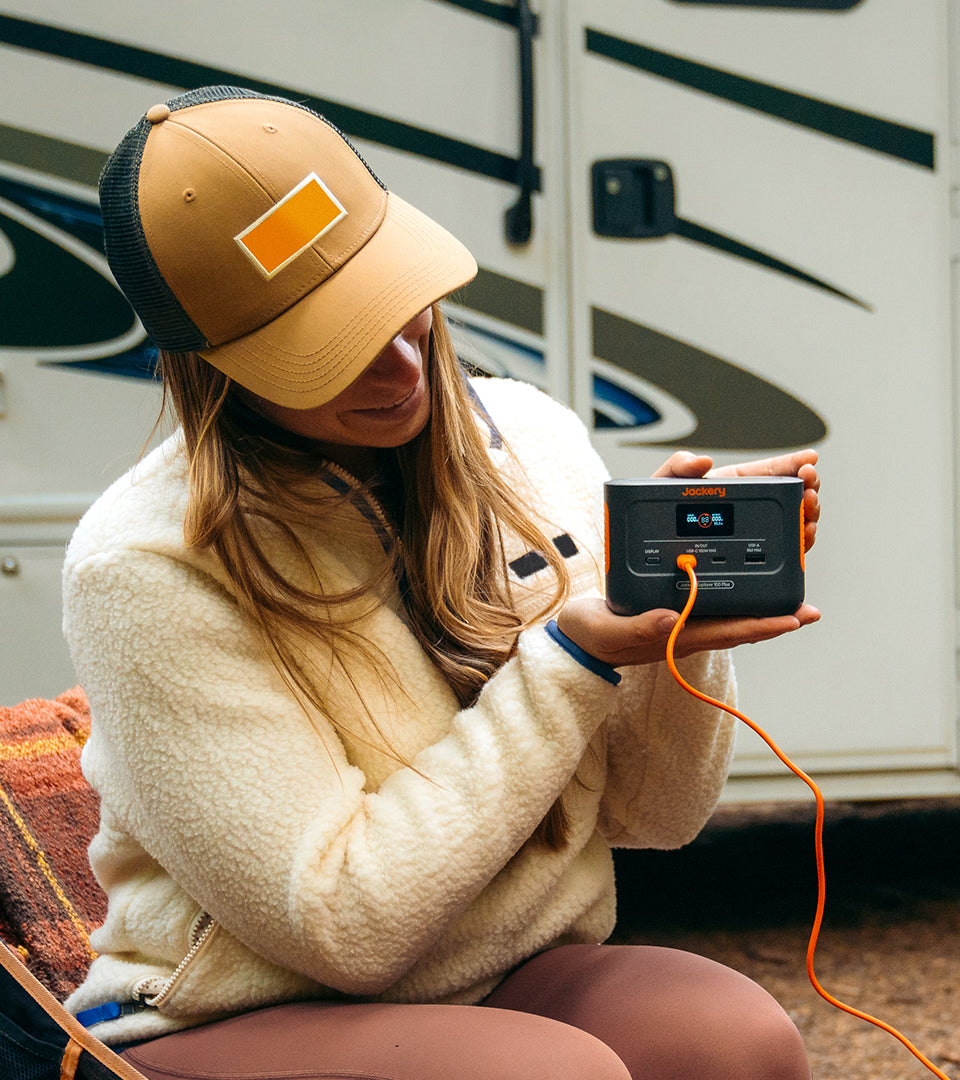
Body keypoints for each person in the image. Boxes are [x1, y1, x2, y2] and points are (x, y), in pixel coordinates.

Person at [63, 86, 821, 1080]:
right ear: (214, 369)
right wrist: (573, 659)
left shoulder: (533, 436)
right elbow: (343, 926)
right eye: (326, 349)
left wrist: (679, 628)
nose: (396, 361)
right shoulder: (143, 565)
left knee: (740, 1041)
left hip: (495, 966)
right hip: (239, 1008)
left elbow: (658, 815)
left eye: (390, 296)